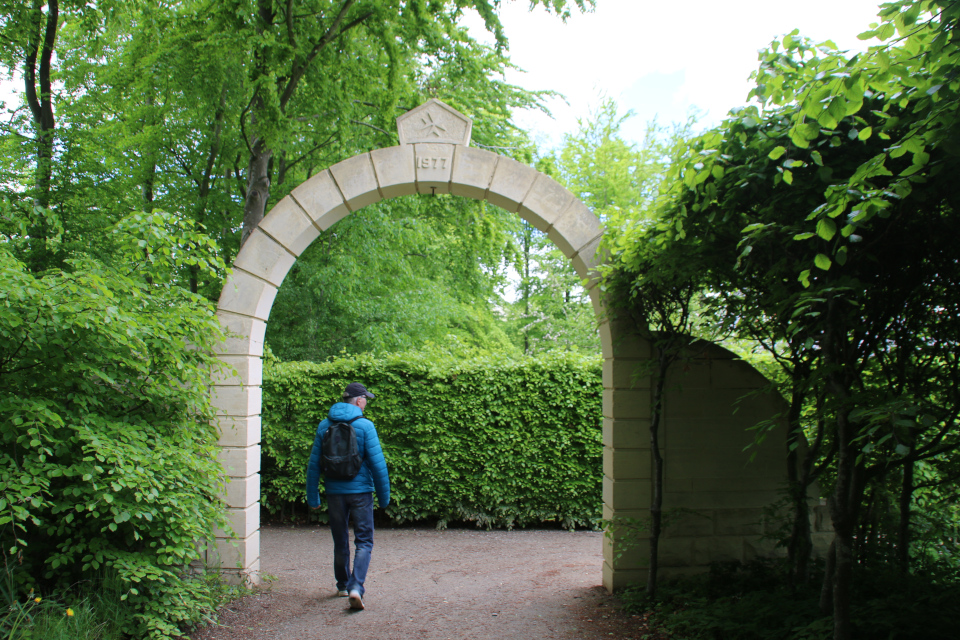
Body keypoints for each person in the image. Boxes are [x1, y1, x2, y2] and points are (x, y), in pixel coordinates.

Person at [306, 382, 390, 611]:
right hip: (361, 493)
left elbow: (314, 465)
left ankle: (343, 584)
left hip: (334, 493)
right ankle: (356, 587)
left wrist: (313, 498)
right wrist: (384, 498)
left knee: (340, 538)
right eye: (366, 400)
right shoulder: (365, 426)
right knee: (364, 540)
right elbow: (378, 465)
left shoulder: (324, 425)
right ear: (360, 401)